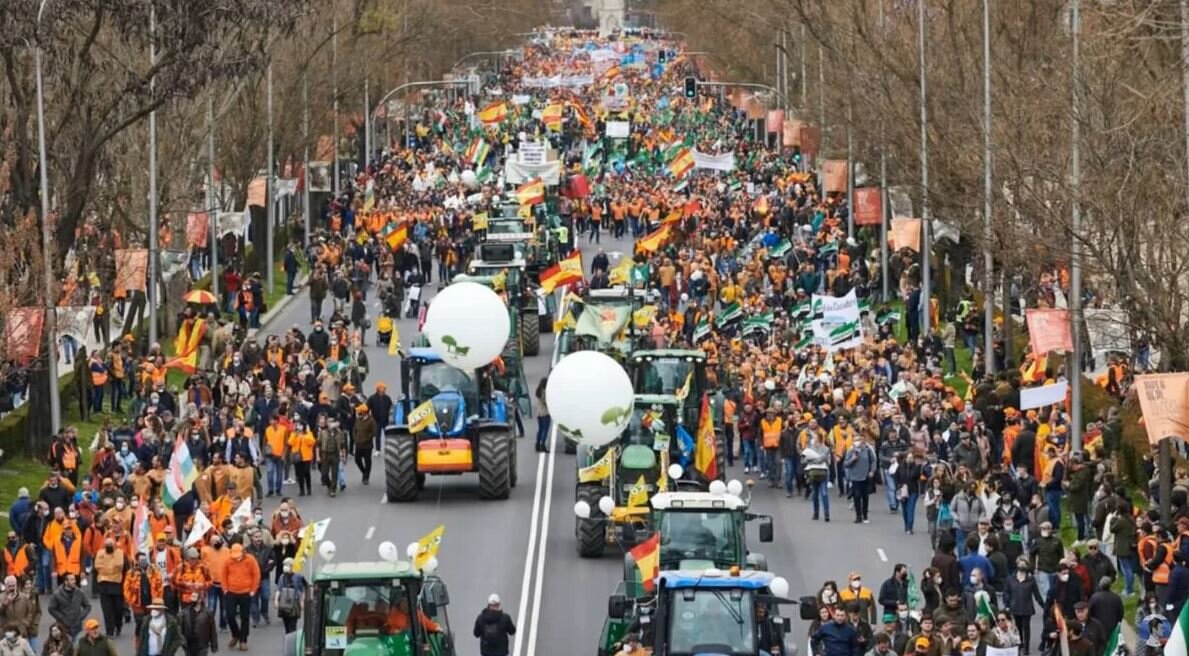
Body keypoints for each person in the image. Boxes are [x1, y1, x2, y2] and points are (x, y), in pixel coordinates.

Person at [221, 543, 260, 650]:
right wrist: (224, 589)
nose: (236, 557)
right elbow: (223, 575)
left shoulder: (250, 559)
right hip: (231, 592)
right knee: (229, 615)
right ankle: (236, 634)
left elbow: (256, 574)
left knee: (245, 617)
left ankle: (243, 640)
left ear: (243, 552)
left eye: (238, 555)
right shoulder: (228, 560)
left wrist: (253, 590)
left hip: (246, 592)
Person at [46, 574, 89, 641]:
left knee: (76, 649)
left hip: (76, 626)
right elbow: (51, 608)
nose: (74, 581)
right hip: (63, 627)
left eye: (74, 579)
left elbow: (87, 606)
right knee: (65, 648)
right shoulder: (57, 594)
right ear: (66, 582)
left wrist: (80, 617)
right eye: (71, 580)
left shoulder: (79, 593)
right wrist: (61, 618)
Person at [179, 592, 218, 656]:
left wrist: (214, 645)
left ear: (200, 600)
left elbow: (212, 630)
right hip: (189, 645)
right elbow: (179, 629)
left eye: (194, 597)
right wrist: (183, 641)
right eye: (191, 597)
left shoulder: (207, 613)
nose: (191, 599)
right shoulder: (184, 613)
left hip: (202, 645)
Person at [273, 558, 305, 634]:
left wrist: (302, 601)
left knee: (292, 625)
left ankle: (292, 641)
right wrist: (276, 600)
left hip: (294, 604)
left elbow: (302, 590)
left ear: (291, 566)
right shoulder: (282, 577)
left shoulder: (298, 577)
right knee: (287, 626)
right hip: (284, 604)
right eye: (284, 565)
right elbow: (279, 590)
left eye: (287, 565)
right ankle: (288, 639)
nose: (285, 567)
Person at [534, 377, 550, 453]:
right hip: (545, 413)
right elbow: (546, 402)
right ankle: (542, 445)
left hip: (539, 413)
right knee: (545, 430)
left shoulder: (537, 391)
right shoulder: (544, 392)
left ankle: (537, 444)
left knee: (540, 429)